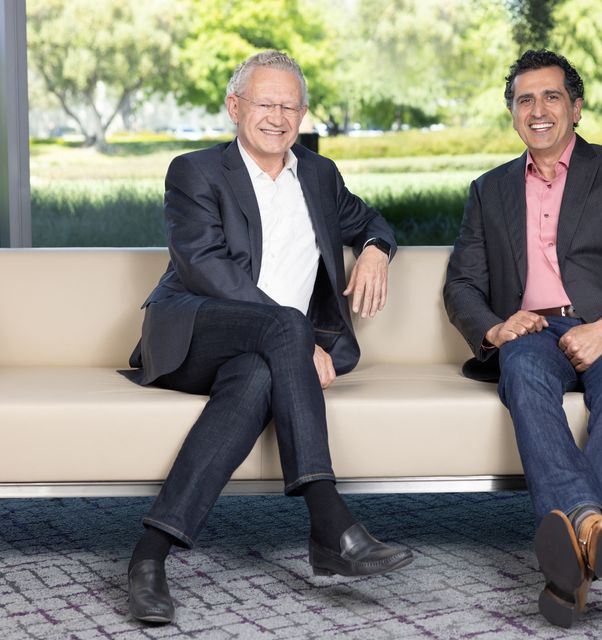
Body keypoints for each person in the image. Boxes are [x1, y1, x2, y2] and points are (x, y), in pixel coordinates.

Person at [123, 50, 412, 624]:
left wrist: (377, 251)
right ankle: (329, 522)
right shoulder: (196, 171)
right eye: (265, 103)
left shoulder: (321, 176)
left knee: (257, 376)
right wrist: (298, 343)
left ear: (303, 114)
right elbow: (207, 269)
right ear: (235, 107)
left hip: (262, 353)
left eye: (290, 106)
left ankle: (148, 557)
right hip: (193, 332)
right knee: (285, 324)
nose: (278, 117)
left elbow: (371, 222)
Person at [443, 49, 602, 628]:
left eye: (551, 97)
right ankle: (593, 527)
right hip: (531, 328)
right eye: (525, 99)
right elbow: (461, 285)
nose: (538, 110)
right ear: (512, 114)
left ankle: (572, 554)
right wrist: (496, 327)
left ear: (575, 108)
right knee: (521, 370)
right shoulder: (489, 189)